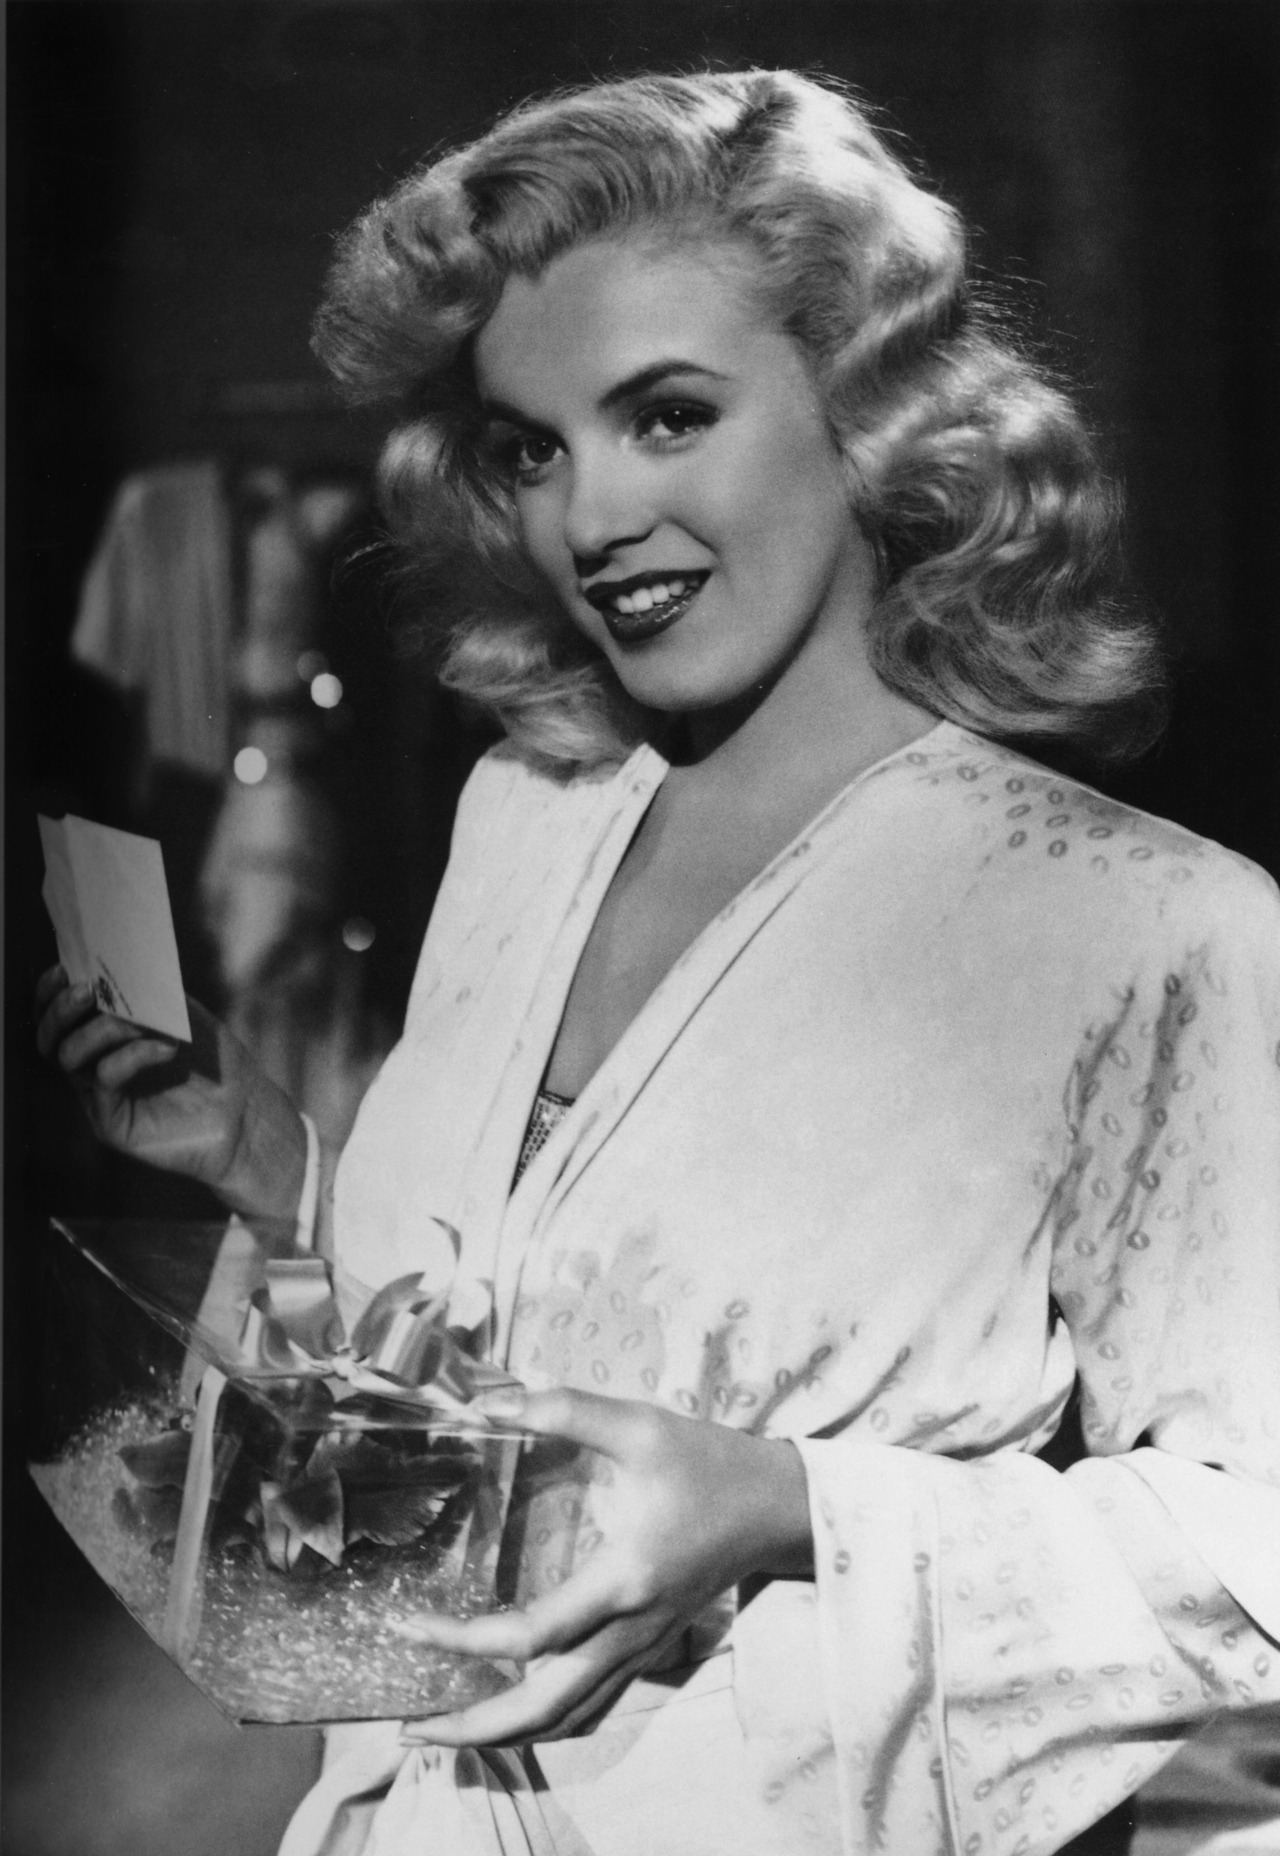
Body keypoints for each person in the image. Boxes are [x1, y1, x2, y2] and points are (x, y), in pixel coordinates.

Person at [36, 69, 1280, 1856]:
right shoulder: (525, 820)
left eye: (667, 415)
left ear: (870, 405)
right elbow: (476, 1362)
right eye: (533, 450)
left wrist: (781, 1504)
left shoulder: (1140, 923)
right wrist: (279, 1173)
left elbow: (1255, 1553)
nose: (590, 520)